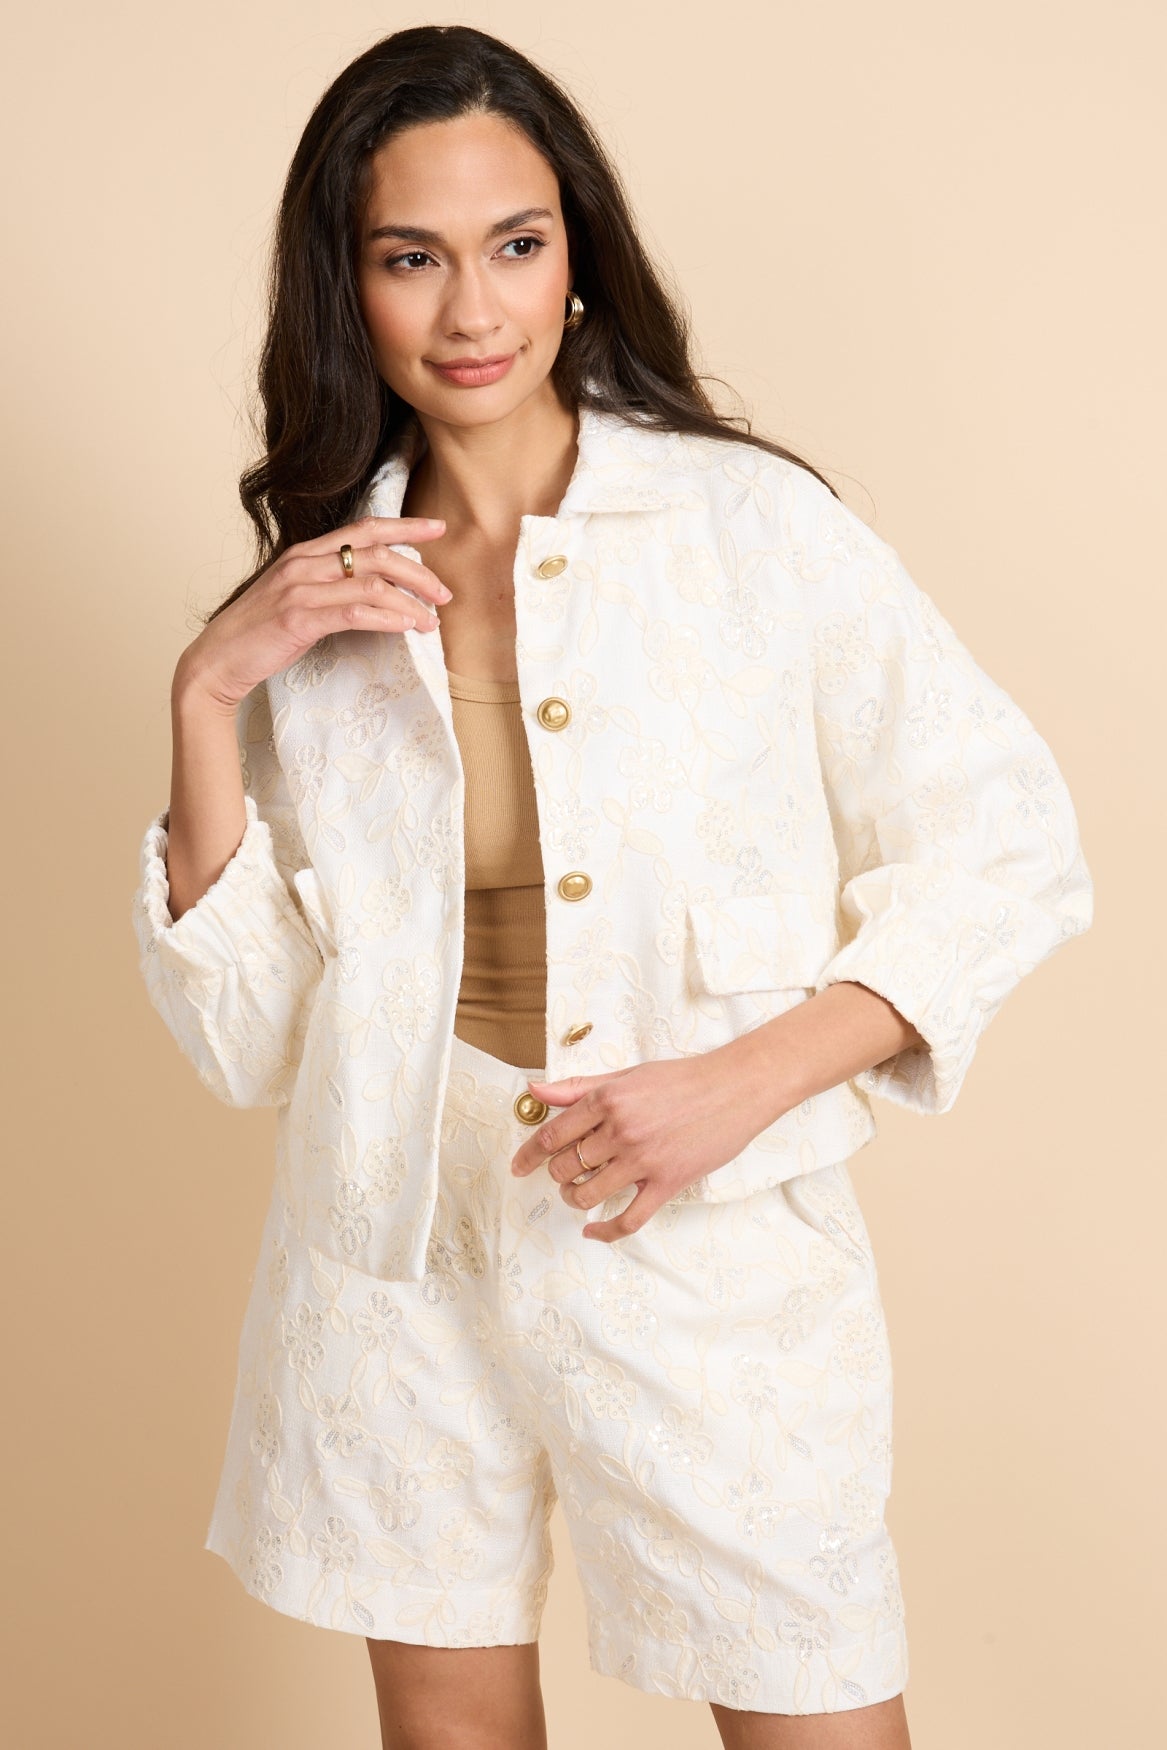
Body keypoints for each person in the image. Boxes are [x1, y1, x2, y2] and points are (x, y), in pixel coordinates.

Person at [130, 23, 1093, 1750]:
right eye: (410, 258)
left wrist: (741, 1082)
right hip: (398, 1250)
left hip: (705, 1239)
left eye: (515, 243)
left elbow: (1011, 840)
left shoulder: (752, 533)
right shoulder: (316, 601)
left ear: (577, 255)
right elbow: (254, 1038)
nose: (473, 309)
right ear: (347, 286)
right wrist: (208, 691)